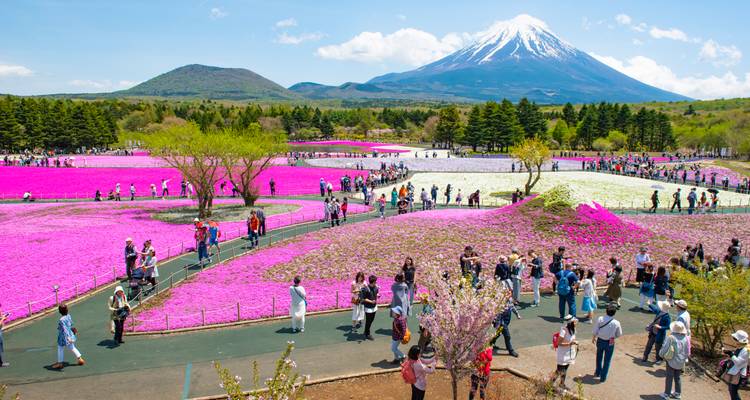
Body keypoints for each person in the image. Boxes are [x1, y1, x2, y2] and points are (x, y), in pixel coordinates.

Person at [592, 303, 622, 383]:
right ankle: (603, 377)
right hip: (610, 342)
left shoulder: (600, 319)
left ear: (606, 311)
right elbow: (619, 334)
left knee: (599, 357)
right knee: (607, 360)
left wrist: (594, 337)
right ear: (614, 313)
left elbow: (595, 330)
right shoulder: (616, 323)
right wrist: (613, 337)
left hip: (600, 340)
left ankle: (598, 372)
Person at [659, 321, 690, 400]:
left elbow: (665, 347)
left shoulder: (671, 337)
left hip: (671, 360)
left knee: (669, 377)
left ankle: (666, 394)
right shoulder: (686, 338)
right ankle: (677, 393)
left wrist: (661, 355)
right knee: (678, 377)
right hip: (681, 361)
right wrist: (684, 359)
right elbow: (687, 350)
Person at [52, 304, 85, 369]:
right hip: (70, 334)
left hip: (63, 336)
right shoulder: (68, 316)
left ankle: (60, 363)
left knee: (60, 348)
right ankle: (80, 359)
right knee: (72, 347)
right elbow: (71, 324)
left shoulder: (61, 320)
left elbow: (64, 329)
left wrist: (68, 337)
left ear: (59, 311)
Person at [553, 315, 579, 389]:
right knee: (559, 370)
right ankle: (550, 384)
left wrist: (574, 343)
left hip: (570, 352)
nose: (576, 322)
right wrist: (570, 343)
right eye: (575, 321)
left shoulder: (573, 328)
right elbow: (558, 343)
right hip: (563, 354)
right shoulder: (563, 330)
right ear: (571, 322)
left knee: (565, 370)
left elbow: (572, 338)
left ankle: (561, 384)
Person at [722, 330, 748, 400]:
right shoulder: (740, 347)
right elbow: (736, 356)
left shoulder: (746, 350)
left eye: (735, 339)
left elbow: (739, 363)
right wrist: (729, 353)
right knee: (731, 390)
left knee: (733, 391)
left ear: (739, 340)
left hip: (738, 373)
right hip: (735, 371)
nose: (734, 340)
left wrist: (731, 354)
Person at [361, 275, 379, 340]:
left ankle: (366, 331)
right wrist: (371, 301)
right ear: (373, 282)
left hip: (374, 307)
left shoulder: (376, 287)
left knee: (371, 320)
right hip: (368, 307)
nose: (376, 283)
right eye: (375, 282)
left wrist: (378, 295)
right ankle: (367, 334)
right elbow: (363, 298)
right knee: (368, 321)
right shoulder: (366, 289)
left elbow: (376, 293)